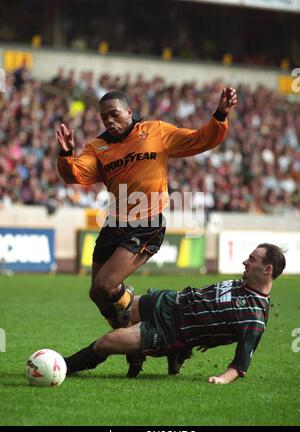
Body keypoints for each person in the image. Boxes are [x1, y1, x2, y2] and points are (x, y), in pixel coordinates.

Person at [56, 87, 237, 376]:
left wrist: (220, 115)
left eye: (114, 114)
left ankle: (139, 339)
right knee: (97, 294)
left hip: (147, 221)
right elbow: (74, 175)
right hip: (115, 223)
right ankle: (137, 347)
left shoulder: (155, 131)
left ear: (129, 111)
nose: (109, 121)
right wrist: (66, 154)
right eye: (104, 117)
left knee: (106, 285)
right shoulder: (97, 148)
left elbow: (200, 139)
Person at [63, 243, 286, 384]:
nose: (245, 262)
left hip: (172, 330)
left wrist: (222, 379)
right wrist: (212, 333)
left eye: (252, 260)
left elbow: (240, 363)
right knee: (118, 307)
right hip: (170, 300)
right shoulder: (243, 283)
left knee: (107, 342)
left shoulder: (254, 317)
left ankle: (63, 366)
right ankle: (153, 353)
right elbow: (217, 308)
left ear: (267, 270)